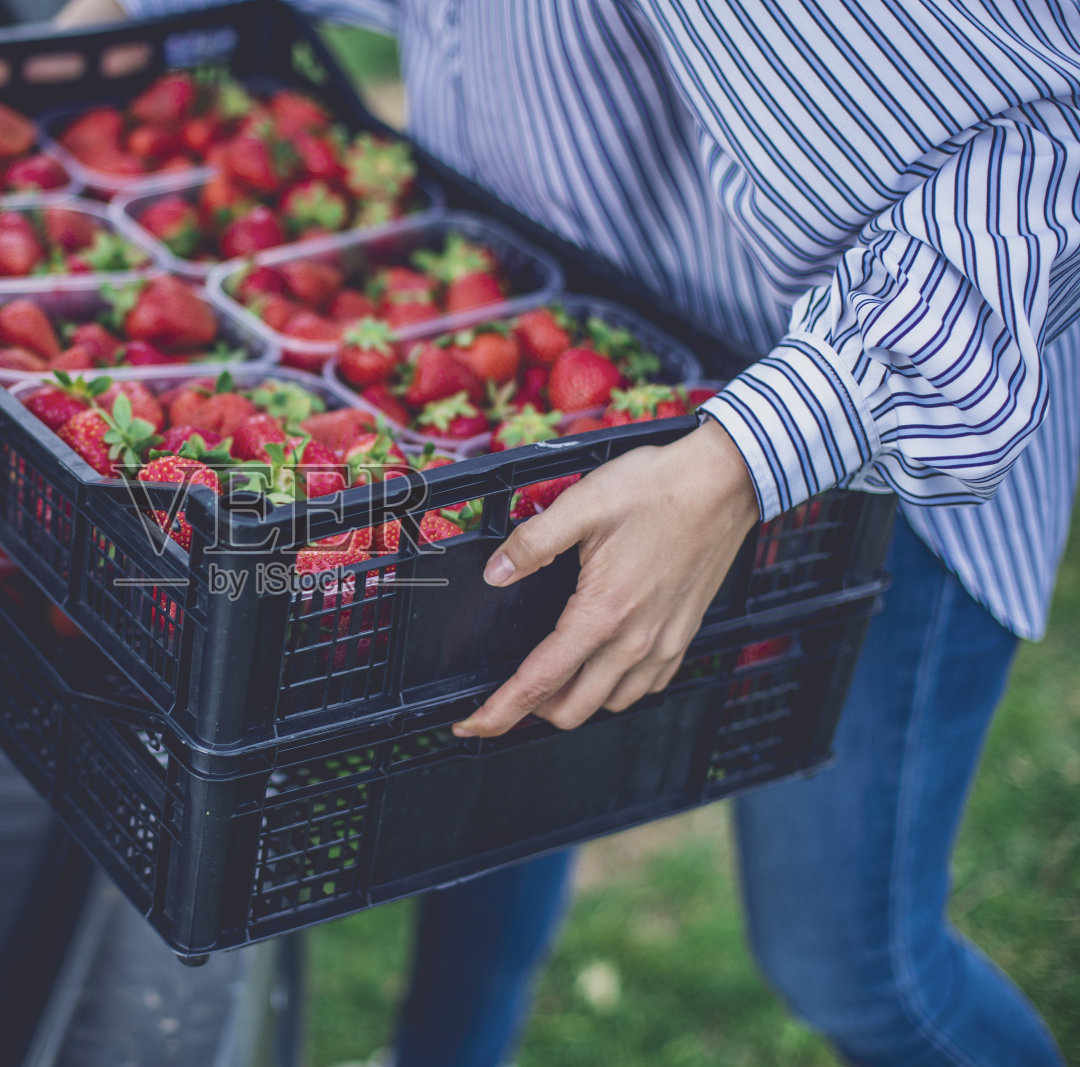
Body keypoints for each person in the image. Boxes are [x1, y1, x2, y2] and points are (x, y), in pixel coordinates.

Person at [61, 1, 1076, 1063]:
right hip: (567, 377)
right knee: (486, 774)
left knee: (849, 962)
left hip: (871, 457)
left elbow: (1040, 161)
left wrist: (745, 455)